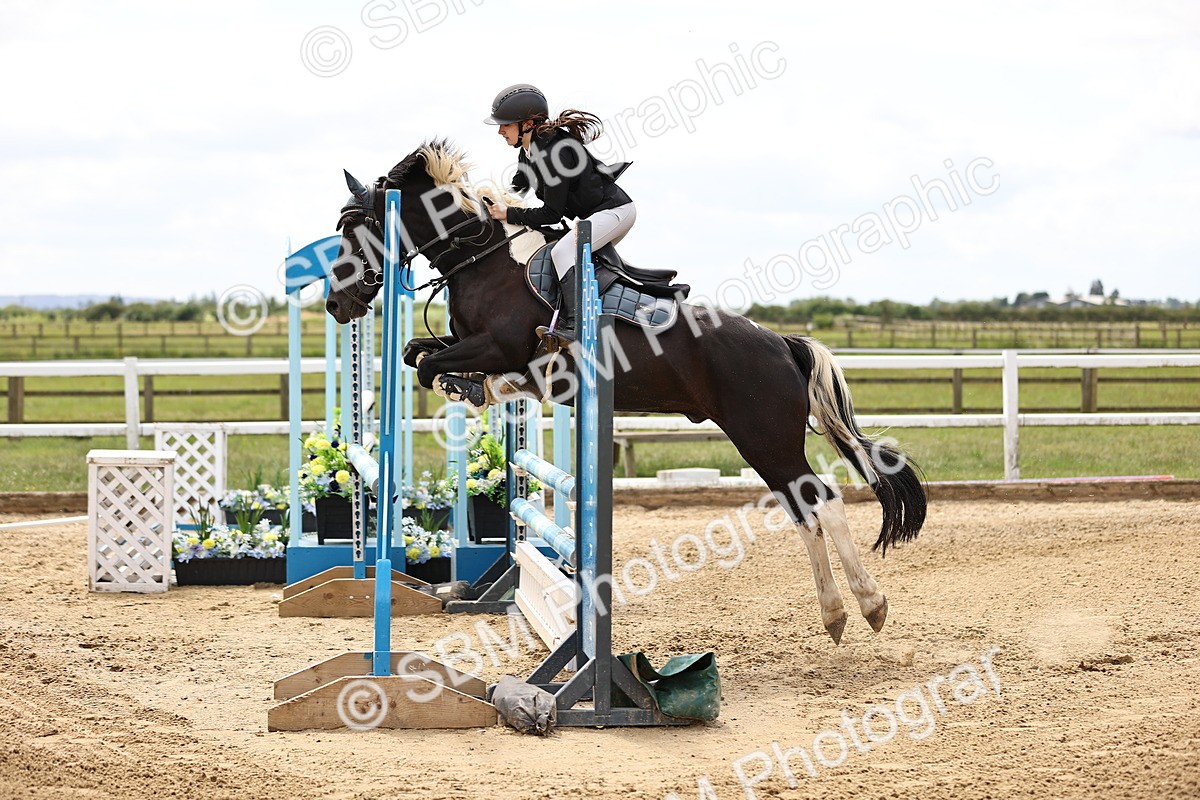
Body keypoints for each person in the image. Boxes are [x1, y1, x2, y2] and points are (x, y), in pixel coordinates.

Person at [483, 83, 634, 343]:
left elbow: (551, 214)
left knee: (563, 252)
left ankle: (577, 327)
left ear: (527, 123)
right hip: (594, 217)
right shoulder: (528, 150)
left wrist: (509, 214)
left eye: (505, 125)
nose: (500, 131)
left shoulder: (554, 153)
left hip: (615, 212)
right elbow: (518, 188)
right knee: (561, 251)